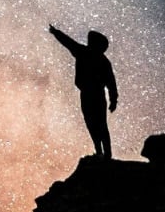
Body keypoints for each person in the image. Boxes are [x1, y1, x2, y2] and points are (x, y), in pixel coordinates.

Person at [48, 24, 118, 158]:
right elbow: (68, 42)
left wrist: (114, 99)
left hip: (95, 94)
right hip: (88, 94)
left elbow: (111, 83)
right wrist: (56, 32)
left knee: (99, 124)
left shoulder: (98, 59)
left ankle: (106, 154)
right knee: (92, 123)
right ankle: (100, 151)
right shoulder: (85, 53)